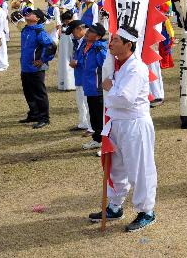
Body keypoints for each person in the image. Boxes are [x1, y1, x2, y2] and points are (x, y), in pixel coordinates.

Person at [89, 25, 157, 232]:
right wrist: (111, 87)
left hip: (134, 124)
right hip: (116, 123)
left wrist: (110, 87)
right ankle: (115, 205)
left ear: (129, 45)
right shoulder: (118, 65)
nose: (111, 43)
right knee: (115, 167)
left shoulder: (136, 68)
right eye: (112, 39)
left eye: (116, 40)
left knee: (139, 168)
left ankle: (146, 211)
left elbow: (125, 99)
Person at [19, 9, 57, 129]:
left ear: (37, 19)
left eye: (32, 14)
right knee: (28, 92)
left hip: (36, 69)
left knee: (39, 94)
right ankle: (34, 114)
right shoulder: (25, 29)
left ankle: (44, 118)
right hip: (25, 67)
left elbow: (51, 46)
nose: (28, 14)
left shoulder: (39, 32)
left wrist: (43, 60)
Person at [77, 23, 108, 150]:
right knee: (93, 116)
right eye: (88, 30)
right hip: (89, 86)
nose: (87, 32)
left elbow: (105, 66)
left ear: (98, 37)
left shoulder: (100, 49)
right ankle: (97, 139)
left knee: (100, 117)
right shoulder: (85, 45)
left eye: (91, 32)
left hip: (98, 88)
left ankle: (105, 143)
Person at [65, 19, 92, 134]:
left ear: (79, 29)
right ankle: (83, 123)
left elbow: (90, 58)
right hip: (79, 76)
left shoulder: (88, 42)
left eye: (73, 31)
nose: (72, 34)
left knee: (88, 103)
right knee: (80, 102)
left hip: (87, 77)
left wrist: (77, 62)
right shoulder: (77, 42)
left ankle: (92, 126)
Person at [57, 10, 77, 90]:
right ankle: (63, 83)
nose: (66, 22)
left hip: (71, 46)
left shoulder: (75, 26)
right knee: (63, 63)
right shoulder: (62, 26)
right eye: (65, 20)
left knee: (70, 62)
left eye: (68, 20)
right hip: (63, 47)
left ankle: (70, 84)